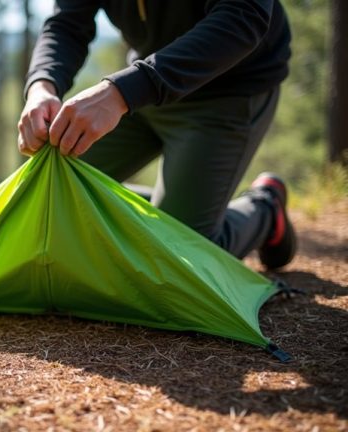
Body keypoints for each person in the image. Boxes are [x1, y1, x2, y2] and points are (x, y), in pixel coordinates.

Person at [18, 0, 297, 269]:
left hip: (225, 91)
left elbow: (243, 14)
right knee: (45, 193)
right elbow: (67, 22)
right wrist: (42, 84)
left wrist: (121, 92)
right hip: (142, 86)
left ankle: (266, 208)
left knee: (175, 258)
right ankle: (169, 210)